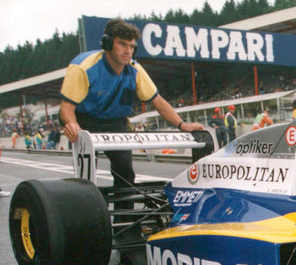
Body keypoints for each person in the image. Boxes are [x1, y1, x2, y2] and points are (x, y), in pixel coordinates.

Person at [60, 18, 204, 198]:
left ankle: (125, 223)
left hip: (115, 122)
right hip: (85, 121)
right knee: (86, 178)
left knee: (125, 172)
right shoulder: (83, 67)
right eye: (121, 44)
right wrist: (73, 125)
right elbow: (66, 107)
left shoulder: (135, 69)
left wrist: (183, 125)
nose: (127, 51)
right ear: (107, 43)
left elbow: (158, 101)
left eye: (131, 46)